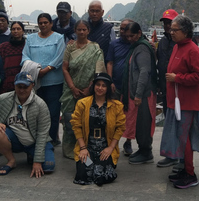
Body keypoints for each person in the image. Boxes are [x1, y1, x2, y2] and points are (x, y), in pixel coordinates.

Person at [159, 15, 199, 189]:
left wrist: (177, 78)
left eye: (175, 30)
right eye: (171, 29)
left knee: (185, 138)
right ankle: (184, 169)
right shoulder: (177, 47)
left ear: (186, 31)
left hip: (187, 103)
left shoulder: (192, 49)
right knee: (181, 138)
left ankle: (190, 173)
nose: (171, 32)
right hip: (176, 101)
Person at [0, 72, 55, 177]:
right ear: (14, 85)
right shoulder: (5, 98)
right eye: (19, 86)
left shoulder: (40, 105)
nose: (22, 90)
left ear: (32, 85)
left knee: (48, 167)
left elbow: (42, 134)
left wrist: (37, 161)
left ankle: (32, 155)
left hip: (35, 141)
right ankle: (11, 161)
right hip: (15, 139)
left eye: (25, 87)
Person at [60, 20, 105, 159]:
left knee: (87, 121)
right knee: (69, 120)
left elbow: (99, 71)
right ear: (75, 30)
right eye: (78, 29)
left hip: (89, 90)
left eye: (84, 29)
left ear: (88, 31)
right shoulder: (70, 47)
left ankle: (85, 148)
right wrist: (73, 88)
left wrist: (89, 88)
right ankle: (68, 150)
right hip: (70, 90)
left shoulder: (95, 48)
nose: (81, 32)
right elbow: (65, 68)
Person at [71, 73, 126, 186]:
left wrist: (110, 148)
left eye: (104, 86)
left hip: (105, 148)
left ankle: (102, 167)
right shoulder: (83, 103)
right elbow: (76, 125)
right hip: (87, 147)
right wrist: (83, 148)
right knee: (83, 175)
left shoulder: (117, 106)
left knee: (100, 175)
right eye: (98, 85)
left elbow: (120, 128)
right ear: (93, 86)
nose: (100, 88)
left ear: (108, 88)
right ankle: (92, 165)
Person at [21, 13, 65, 144]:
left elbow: (60, 57)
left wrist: (47, 69)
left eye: (46, 22)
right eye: (40, 23)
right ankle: (36, 140)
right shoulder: (30, 38)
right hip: (35, 81)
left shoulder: (59, 38)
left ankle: (50, 140)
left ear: (51, 24)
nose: (43, 25)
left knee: (53, 113)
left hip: (54, 82)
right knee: (35, 113)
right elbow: (25, 57)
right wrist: (36, 70)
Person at [122, 22, 157, 164]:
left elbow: (144, 71)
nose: (129, 38)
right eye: (127, 36)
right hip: (139, 92)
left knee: (144, 123)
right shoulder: (137, 46)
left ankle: (146, 151)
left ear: (139, 33)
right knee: (139, 122)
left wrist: (138, 94)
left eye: (132, 36)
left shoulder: (142, 48)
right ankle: (143, 149)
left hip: (143, 93)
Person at [155, 9, 182, 169]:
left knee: (180, 122)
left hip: (180, 90)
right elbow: (161, 64)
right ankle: (171, 154)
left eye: (170, 22)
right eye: (165, 22)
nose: (167, 25)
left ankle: (181, 156)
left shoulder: (183, 42)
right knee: (169, 121)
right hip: (166, 89)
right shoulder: (164, 41)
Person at [106, 19, 133, 155]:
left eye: (125, 29)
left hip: (131, 86)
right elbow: (110, 62)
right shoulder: (114, 44)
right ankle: (111, 143)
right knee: (113, 114)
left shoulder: (137, 44)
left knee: (130, 115)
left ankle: (128, 142)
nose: (122, 32)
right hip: (116, 84)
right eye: (121, 29)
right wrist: (110, 81)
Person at [0, 21, 26, 93]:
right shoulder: (4, 47)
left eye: (18, 29)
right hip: (6, 84)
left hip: (23, 84)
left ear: (23, 31)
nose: (15, 31)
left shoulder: (27, 46)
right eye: (13, 29)